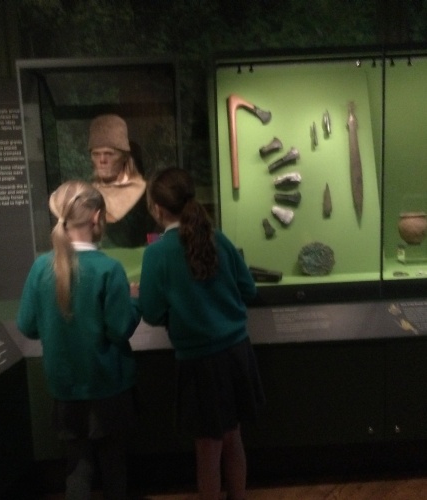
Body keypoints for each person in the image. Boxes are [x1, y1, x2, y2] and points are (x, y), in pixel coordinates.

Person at [137, 167, 265, 500]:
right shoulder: (217, 238)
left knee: (208, 451)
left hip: (199, 363)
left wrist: (177, 313)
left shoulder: (157, 253)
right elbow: (248, 289)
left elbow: (150, 312)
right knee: (233, 438)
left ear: (157, 209)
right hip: (236, 353)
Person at [16, 180, 141, 500]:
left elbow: (27, 325)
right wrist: (134, 301)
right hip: (108, 385)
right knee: (114, 466)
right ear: (97, 217)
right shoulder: (108, 269)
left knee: (77, 468)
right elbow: (120, 328)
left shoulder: (40, 267)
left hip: (65, 388)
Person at [88, 113, 158, 248]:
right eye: (95, 154)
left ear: (125, 156)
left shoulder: (146, 193)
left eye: (109, 154)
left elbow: (145, 236)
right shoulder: (88, 193)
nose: (102, 160)